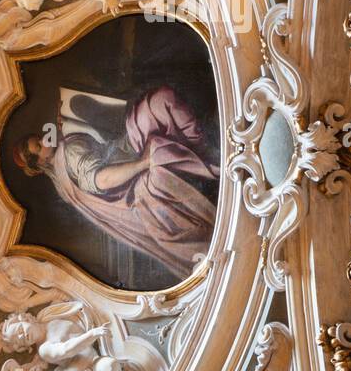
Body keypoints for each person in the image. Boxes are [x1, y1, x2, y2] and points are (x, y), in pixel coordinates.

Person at [12, 84, 217, 280]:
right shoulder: (69, 154)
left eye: (40, 138)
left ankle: (203, 146)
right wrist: (144, 163)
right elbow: (101, 179)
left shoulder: (61, 174)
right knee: (160, 101)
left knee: (155, 106)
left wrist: (65, 124)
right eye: (39, 146)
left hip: (126, 154)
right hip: (133, 179)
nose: (44, 141)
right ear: (40, 162)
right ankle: (206, 150)